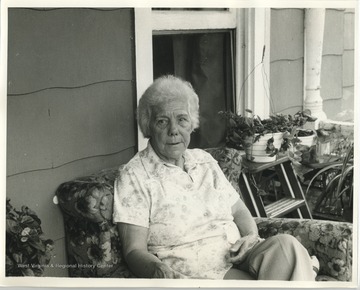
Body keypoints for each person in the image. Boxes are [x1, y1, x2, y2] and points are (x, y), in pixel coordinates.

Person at [113, 75, 317, 280]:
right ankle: (306, 271)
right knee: (294, 274)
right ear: (148, 127)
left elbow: (237, 209)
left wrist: (250, 236)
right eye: (162, 121)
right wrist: (157, 269)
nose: (173, 130)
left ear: (191, 123)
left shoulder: (204, 161)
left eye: (182, 119)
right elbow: (133, 250)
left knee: (287, 247)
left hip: (241, 255)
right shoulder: (135, 175)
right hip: (201, 274)